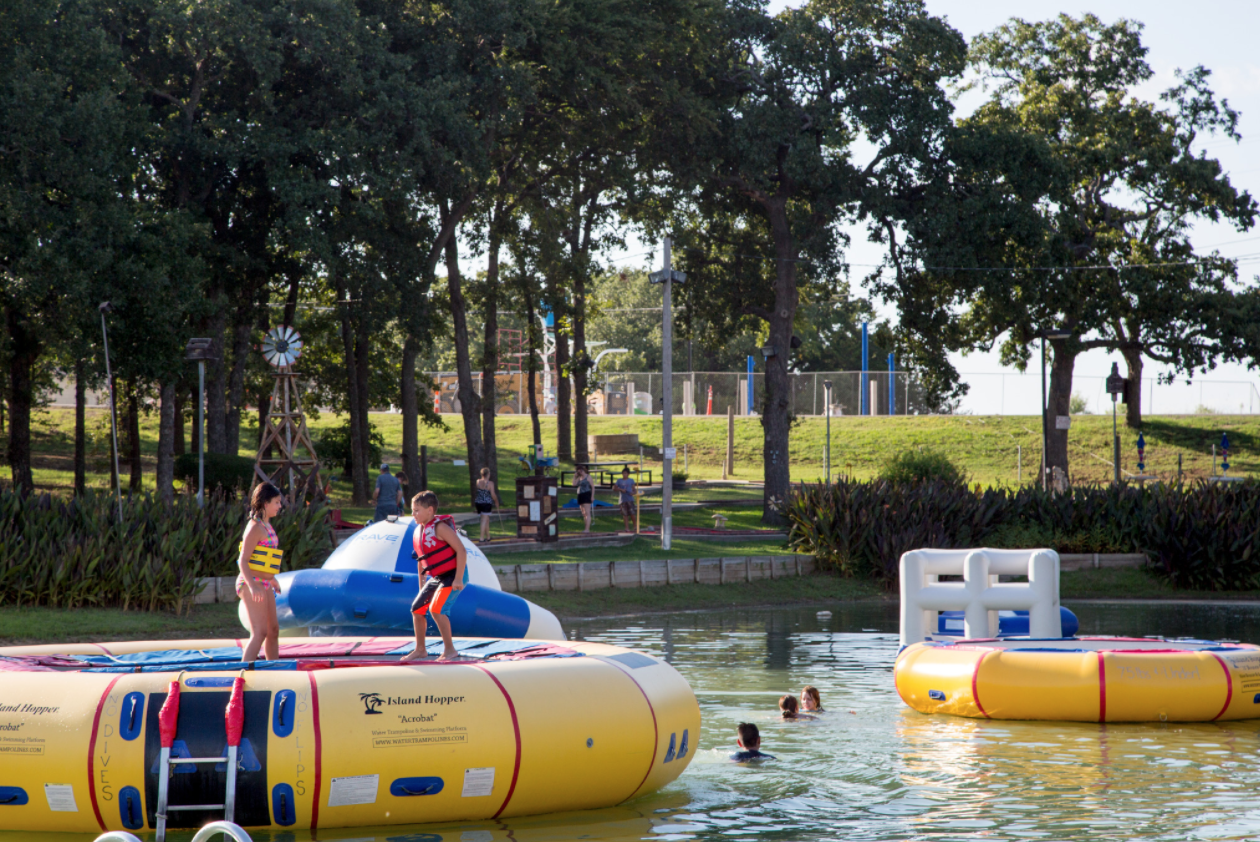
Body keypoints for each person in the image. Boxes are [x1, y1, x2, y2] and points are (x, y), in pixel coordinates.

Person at [400, 491, 467, 662]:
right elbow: (421, 560)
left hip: (453, 574)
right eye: (412, 510)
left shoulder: (440, 528)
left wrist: (459, 578)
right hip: (438, 577)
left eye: (417, 510)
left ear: (430, 510)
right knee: (417, 609)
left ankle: (450, 650)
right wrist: (421, 585)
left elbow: (461, 550)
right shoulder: (419, 531)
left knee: (436, 610)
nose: (413, 514)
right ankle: (420, 649)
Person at [238, 482, 284, 663]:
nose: (279, 506)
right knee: (260, 632)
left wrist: (271, 579)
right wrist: (252, 585)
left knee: (273, 630)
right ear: (265, 503)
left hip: (263, 582)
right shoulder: (255, 527)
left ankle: (274, 668)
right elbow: (243, 560)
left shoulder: (267, 525)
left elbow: (262, 558)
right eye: (276, 502)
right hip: (250, 582)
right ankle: (243, 673)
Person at [474, 467, 500, 542]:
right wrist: (496, 502)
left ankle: (488, 537)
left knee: (486, 519)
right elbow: (493, 495)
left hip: (478, 503)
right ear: (488, 474)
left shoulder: (478, 481)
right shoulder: (490, 483)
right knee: (483, 520)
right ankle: (481, 538)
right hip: (486, 503)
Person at [614, 467, 636, 532]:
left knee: (632, 513)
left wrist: (633, 493)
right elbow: (614, 488)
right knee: (625, 514)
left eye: (625, 473)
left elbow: (634, 490)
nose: (624, 474)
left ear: (628, 474)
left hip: (630, 499)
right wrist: (621, 489)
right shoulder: (619, 480)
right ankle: (627, 528)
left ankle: (635, 526)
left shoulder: (631, 480)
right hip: (622, 500)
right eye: (623, 473)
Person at [573, 466, 594, 533]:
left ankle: (587, 529)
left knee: (587, 512)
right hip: (580, 495)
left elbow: (593, 487)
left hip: (586, 494)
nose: (579, 472)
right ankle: (585, 528)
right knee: (583, 513)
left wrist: (592, 496)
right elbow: (574, 484)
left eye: (580, 470)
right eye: (578, 471)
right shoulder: (579, 478)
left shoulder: (588, 477)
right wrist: (574, 477)